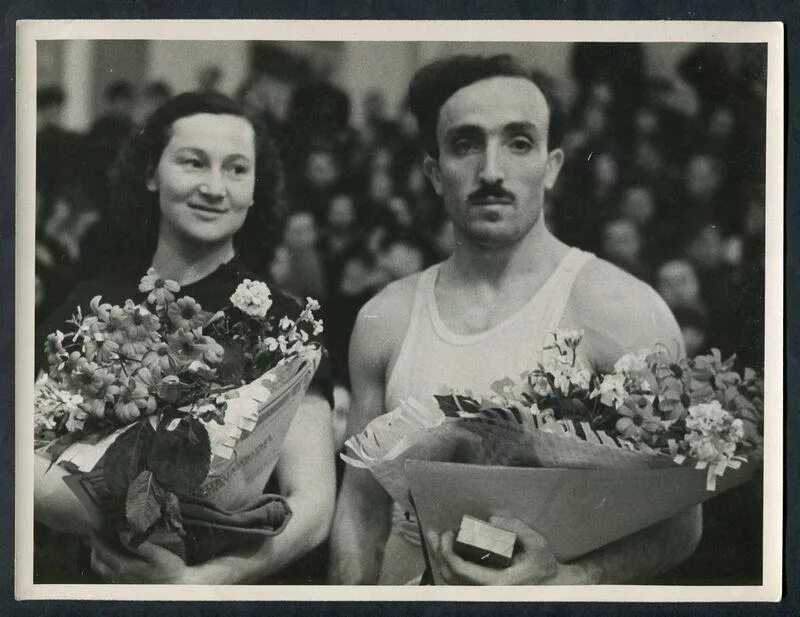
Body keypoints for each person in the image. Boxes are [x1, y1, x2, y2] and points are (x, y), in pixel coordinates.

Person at [329, 55, 701, 585]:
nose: (491, 171)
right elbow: (361, 509)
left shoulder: (624, 311)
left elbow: (680, 525)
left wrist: (568, 581)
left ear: (552, 165)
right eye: (465, 144)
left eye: (518, 142)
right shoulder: (384, 317)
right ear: (434, 173)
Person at [34, 91, 336, 584]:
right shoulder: (87, 303)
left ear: (257, 187)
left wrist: (209, 580)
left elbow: (315, 507)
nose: (215, 187)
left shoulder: (287, 322)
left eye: (236, 169)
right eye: (194, 163)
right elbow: (28, 450)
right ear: (151, 173)